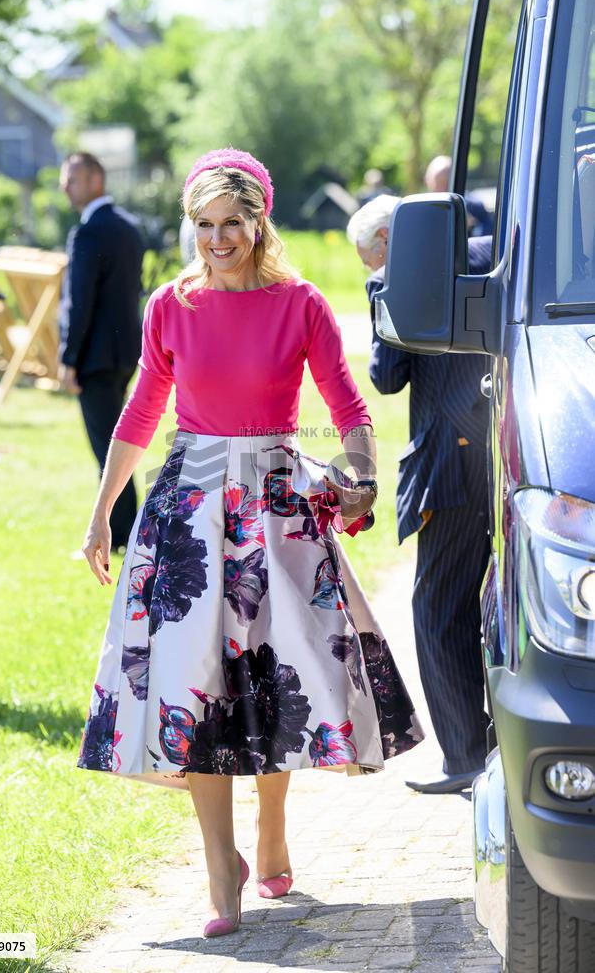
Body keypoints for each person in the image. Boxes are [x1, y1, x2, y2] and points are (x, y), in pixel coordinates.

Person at [76, 149, 424, 937]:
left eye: (232, 223)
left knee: (280, 677)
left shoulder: (298, 302)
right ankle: (218, 875)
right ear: (190, 227)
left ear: (257, 221)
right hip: (190, 511)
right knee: (193, 684)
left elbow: (346, 401)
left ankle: (271, 826)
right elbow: (139, 413)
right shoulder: (170, 305)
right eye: (204, 225)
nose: (218, 238)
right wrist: (101, 514)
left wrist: (362, 473)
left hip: (276, 504)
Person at [348, 195, 492, 794]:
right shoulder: (486, 252)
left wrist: (385, 288)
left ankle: (466, 756)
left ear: (388, 242)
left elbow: (386, 377)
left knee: (435, 613)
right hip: (497, 454)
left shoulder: (398, 281)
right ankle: (483, 744)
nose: (367, 271)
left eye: (368, 260)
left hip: (449, 469)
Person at [58, 151, 145, 551]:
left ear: (95, 180)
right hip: (127, 351)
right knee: (118, 443)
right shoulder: (129, 226)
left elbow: (79, 301)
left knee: (108, 450)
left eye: (71, 178)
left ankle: (121, 535)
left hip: (95, 358)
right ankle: (129, 532)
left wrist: (67, 358)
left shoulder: (89, 231)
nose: (64, 186)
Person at [424, 154, 493, 237]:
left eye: (446, 183)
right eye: (438, 184)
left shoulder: (473, 207)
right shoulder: (422, 209)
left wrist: (470, 226)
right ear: (427, 182)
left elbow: (488, 239)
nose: (442, 189)